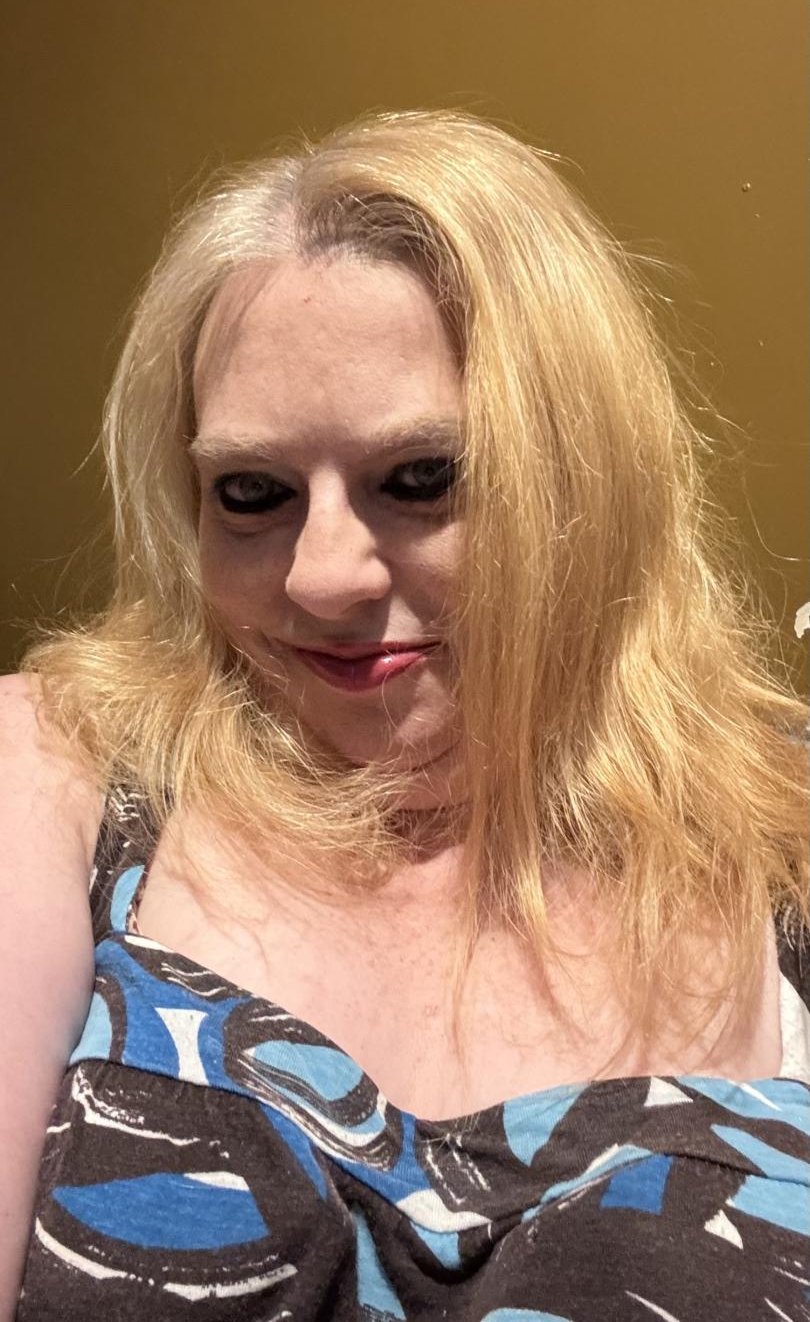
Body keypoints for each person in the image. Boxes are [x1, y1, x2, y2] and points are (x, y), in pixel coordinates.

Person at [2, 110, 808, 1321]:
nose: (323, 576)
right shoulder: (60, 765)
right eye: (252, 492)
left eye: (424, 479)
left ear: (590, 479)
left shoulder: (784, 829)